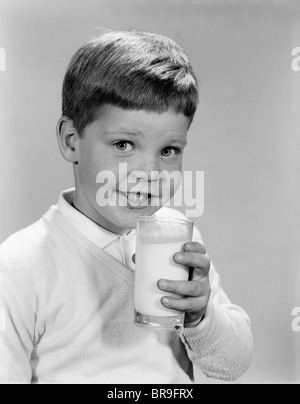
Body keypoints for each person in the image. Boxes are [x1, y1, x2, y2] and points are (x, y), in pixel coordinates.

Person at [0, 30, 253, 384]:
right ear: (72, 141)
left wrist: (200, 318)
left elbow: (232, 365)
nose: (148, 174)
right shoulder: (20, 267)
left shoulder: (178, 237)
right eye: (123, 144)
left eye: (168, 151)